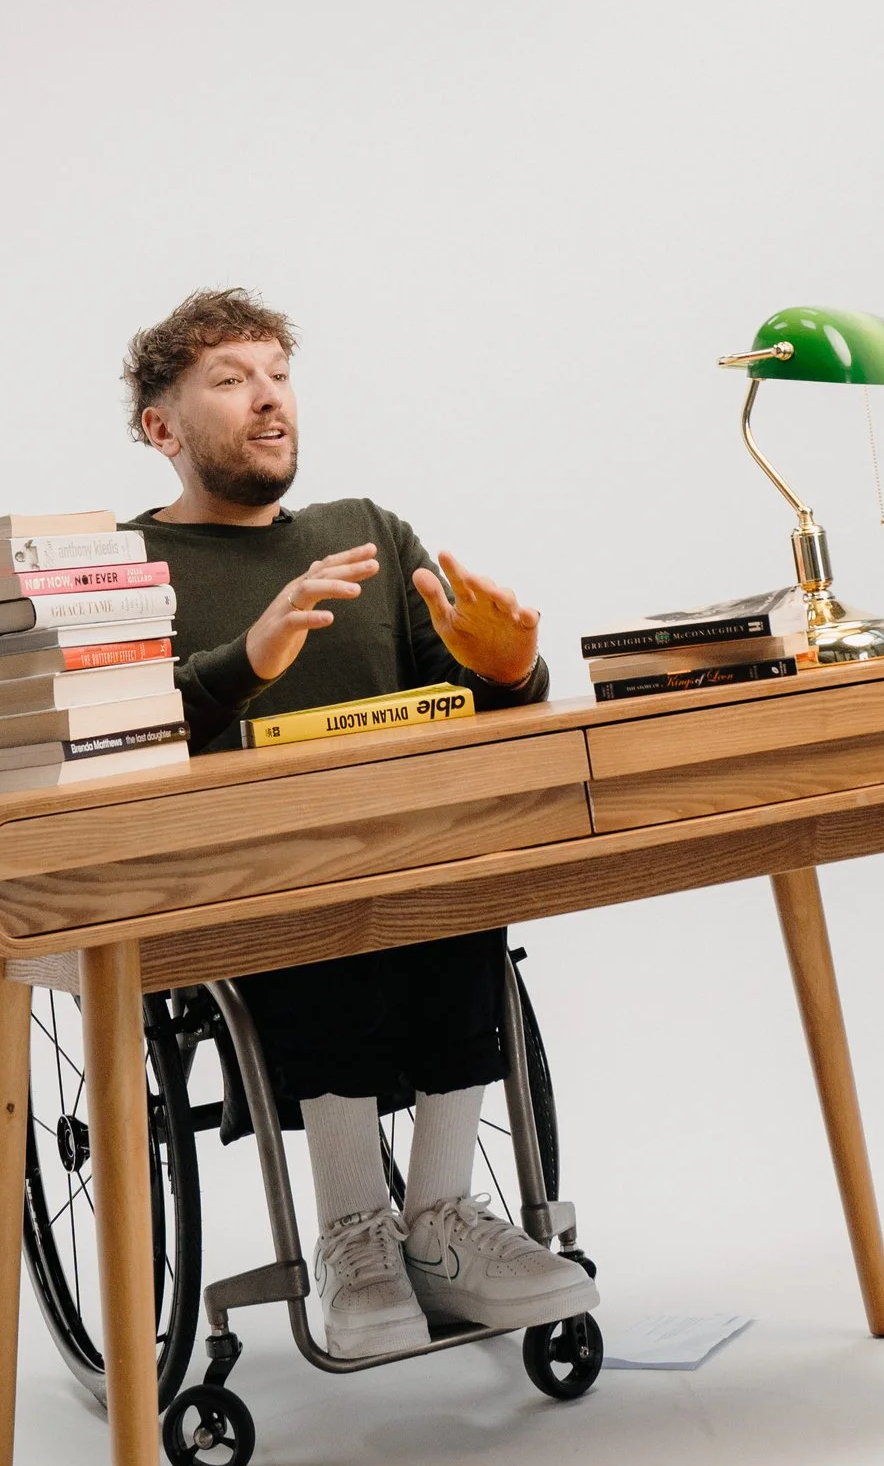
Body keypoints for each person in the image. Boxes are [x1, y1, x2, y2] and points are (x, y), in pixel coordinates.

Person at [128, 286, 600, 1363]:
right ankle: (352, 1228)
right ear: (160, 427)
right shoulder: (120, 573)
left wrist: (510, 669)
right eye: (230, 379)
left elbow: (474, 711)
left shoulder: (365, 534)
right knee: (319, 872)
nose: (268, 401)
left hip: (415, 860)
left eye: (278, 376)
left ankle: (436, 1221)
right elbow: (106, 743)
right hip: (242, 886)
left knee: (463, 858)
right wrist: (244, 664)